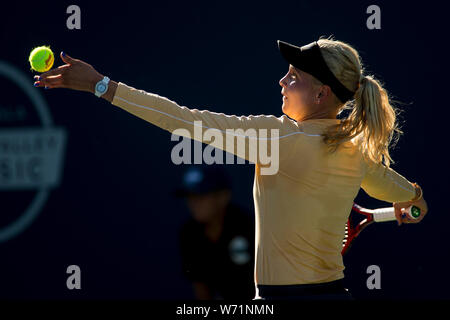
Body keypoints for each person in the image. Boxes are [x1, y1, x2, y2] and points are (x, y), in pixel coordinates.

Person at [33, 35, 429, 300]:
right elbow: (403, 195)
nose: (281, 81)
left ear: (322, 93)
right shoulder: (357, 151)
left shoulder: (281, 140)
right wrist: (411, 202)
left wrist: (101, 85)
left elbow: (182, 120)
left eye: (293, 77)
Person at [174, 164, 255, 300]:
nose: (194, 203)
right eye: (190, 196)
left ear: (223, 196)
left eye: (201, 196)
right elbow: (200, 286)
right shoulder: (189, 233)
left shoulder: (250, 227)